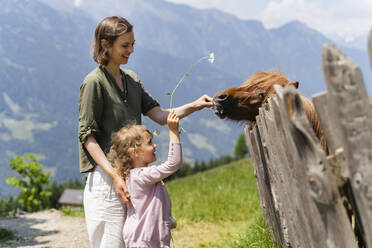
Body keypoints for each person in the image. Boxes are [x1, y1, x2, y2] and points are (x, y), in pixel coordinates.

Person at [78, 16, 213, 247]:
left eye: (133, 44)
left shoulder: (132, 80)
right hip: (106, 181)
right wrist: (114, 176)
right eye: (124, 45)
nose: (131, 50)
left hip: (130, 180)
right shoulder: (94, 82)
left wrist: (195, 105)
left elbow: (159, 115)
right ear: (104, 44)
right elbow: (87, 137)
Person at [108, 110, 181, 248]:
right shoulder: (142, 175)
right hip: (145, 239)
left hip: (141, 237)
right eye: (149, 143)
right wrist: (173, 131)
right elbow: (174, 163)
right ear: (135, 152)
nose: (155, 145)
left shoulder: (132, 176)